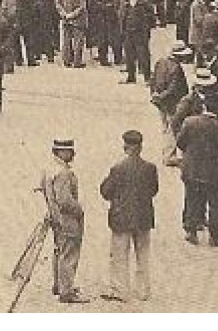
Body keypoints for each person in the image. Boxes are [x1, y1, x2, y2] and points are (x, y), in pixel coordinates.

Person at [98, 129, 157, 304]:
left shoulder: (118, 168)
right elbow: (154, 190)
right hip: (143, 217)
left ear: (126, 146)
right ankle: (143, 290)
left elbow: (106, 191)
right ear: (140, 147)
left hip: (121, 218)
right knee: (143, 255)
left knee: (119, 256)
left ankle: (120, 289)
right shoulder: (150, 168)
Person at [176, 94, 218, 246]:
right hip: (215, 171)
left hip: (193, 169)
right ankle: (214, 236)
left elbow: (180, 142)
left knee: (192, 199)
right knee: (215, 203)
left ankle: (191, 231)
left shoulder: (190, 122)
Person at [41, 138, 87, 304]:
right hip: (67, 219)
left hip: (55, 217)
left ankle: (59, 285)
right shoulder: (63, 173)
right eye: (68, 151)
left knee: (59, 250)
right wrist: (79, 209)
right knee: (69, 253)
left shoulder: (49, 168)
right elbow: (65, 200)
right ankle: (66, 291)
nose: (71, 154)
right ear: (60, 152)